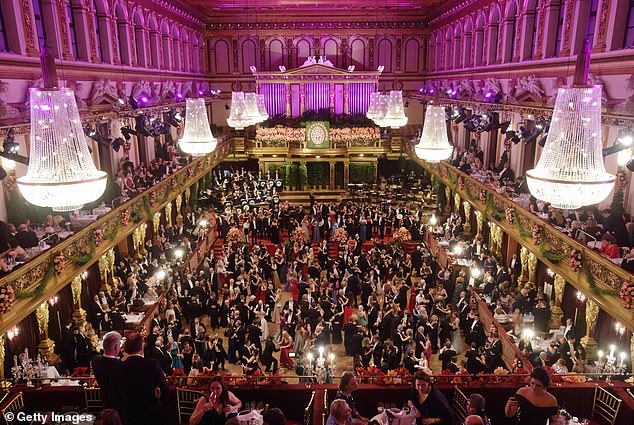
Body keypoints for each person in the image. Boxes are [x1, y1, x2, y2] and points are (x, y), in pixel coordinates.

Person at [110, 332, 168, 425]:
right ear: (142, 347)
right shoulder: (152, 365)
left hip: (128, 417)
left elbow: (115, 397)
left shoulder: (116, 369)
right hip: (151, 416)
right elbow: (165, 390)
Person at [92, 331, 122, 409]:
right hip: (119, 405)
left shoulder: (96, 360)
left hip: (105, 402)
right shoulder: (120, 366)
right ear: (116, 347)